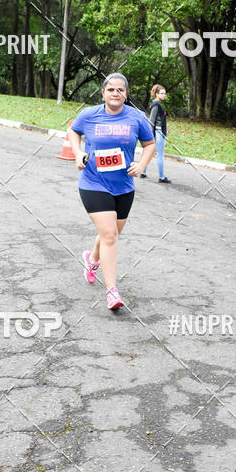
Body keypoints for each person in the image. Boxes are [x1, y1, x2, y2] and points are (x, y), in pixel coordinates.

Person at [68, 74, 155, 309]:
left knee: (111, 234)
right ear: (103, 93)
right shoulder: (89, 115)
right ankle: (112, 292)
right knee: (109, 236)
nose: (115, 93)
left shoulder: (136, 118)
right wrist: (78, 153)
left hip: (124, 186)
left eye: (120, 90)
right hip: (93, 183)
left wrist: (142, 164)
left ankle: (92, 258)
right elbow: (73, 132)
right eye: (110, 89)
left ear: (126, 94)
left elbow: (150, 144)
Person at [141, 84, 171, 183]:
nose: (164, 95)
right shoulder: (156, 104)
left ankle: (143, 171)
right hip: (157, 133)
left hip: (159, 131)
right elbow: (151, 121)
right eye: (162, 93)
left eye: (165, 93)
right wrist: (150, 135)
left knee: (150, 152)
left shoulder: (157, 104)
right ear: (157, 94)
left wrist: (165, 128)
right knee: (160, 155)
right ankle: (161, 177)